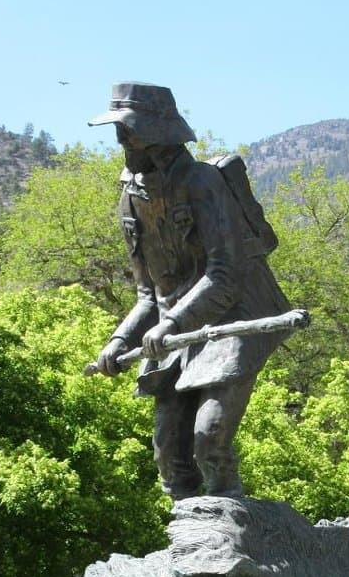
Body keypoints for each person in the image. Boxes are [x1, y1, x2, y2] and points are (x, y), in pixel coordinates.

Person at [89, 82, 292, 500]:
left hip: (233, 316)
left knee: (209, 439)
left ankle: (230, 523)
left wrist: (172, 323)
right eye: (119, 128)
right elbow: (148, 294)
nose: (121, 138)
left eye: (129, 128)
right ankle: (190, 531)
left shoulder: (202, 182)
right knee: (168, 453)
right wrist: (119, 340)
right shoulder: (130, 199)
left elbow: (225, 274)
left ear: (157, 130)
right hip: (173, 333)